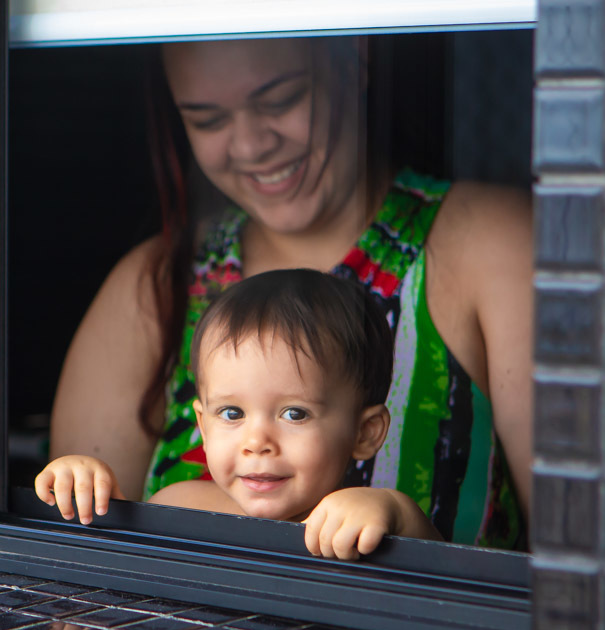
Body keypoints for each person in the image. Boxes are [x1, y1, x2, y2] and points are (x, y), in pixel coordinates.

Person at [50, 36, 532, 549]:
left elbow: (587, 553)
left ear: (357, 60)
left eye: (281, 100)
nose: (252, 144)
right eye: (208, 120)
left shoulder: (495, 243)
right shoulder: (154, 281)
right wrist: (76, 479)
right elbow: (82, 543)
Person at [37, 270, 443, 560]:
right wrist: (85, 488)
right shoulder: (179, 507)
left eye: (294, 414)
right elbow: (115, 568)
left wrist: (393, 511)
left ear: (366, 432)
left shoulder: (361, 523)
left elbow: (445, 570)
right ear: (202, 424)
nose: (257, 442)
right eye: (232, 413)